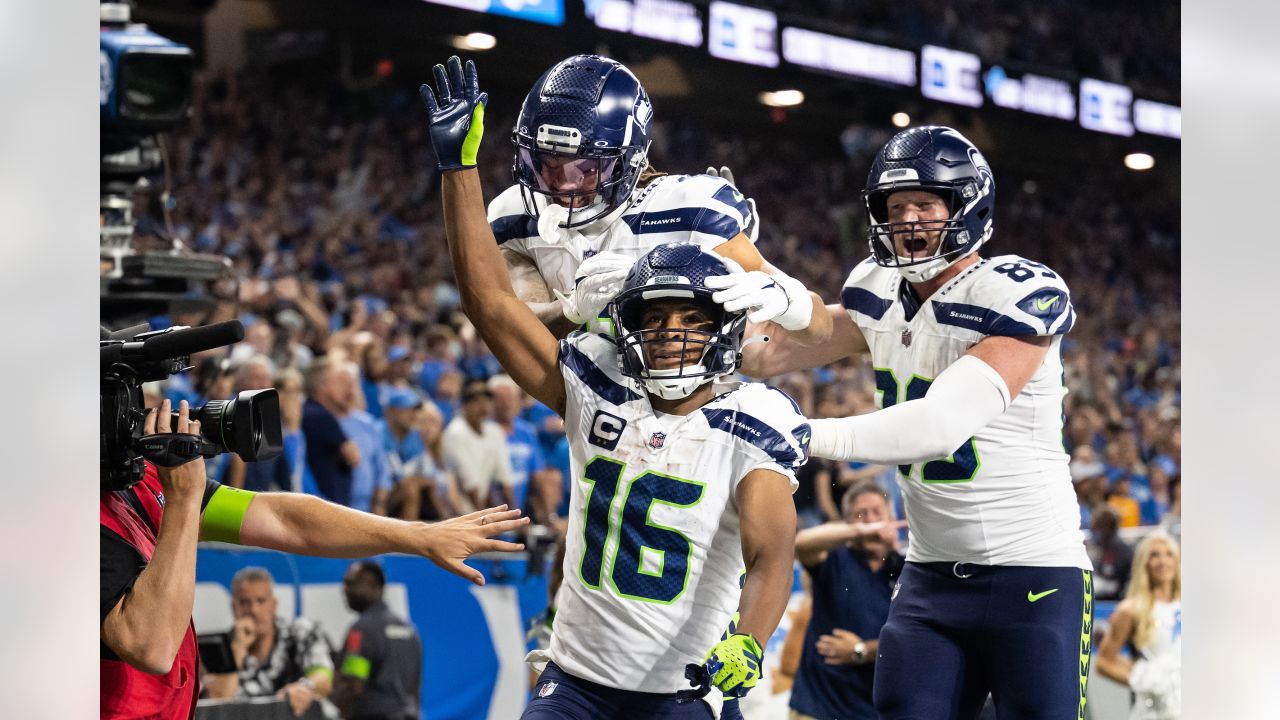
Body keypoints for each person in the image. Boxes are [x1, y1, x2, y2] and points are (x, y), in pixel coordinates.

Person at [421, 55, 808, 717]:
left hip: (686, 689)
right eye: (653, 321)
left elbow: (773, 551)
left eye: (691, 321)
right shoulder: (595, 380)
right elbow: (490, 303)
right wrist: (459, 169)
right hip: (577, 683)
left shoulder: (751, 414)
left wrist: (749, 639)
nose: (670, 336)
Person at [736, 125, 1093, 718]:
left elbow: (940, 424)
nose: (908, 220)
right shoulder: (876, 290)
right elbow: (773, 349)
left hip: (1034, 573)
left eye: (926, 204)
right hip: (930, 578)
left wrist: (806, 434)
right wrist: (723, 283)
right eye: (895, 206)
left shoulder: (1016, 293)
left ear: (966, 206)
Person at [101, 397, 528, 720]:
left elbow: (288, 520)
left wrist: (420, 535)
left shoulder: (146, 486)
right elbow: (152, 647)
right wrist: (184, 501)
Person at [483, 53, 829, 346]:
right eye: (545, 162)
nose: (563, 184)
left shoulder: (688, 212)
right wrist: (572, 311)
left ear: (630, 159)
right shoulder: (513, 214)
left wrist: (785, 301)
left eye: (585, 167)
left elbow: (820, 328)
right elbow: (517, 328)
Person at [788, 483, 905, 720]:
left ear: (891, 519)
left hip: (875, 711)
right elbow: (801, 542)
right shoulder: (836, 559)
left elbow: (914, 642)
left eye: (877, 513)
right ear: (847, 523)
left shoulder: (907, 572)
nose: (871, 521)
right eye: (861, 515)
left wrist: (861, 650)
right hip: (818, 707)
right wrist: (860, 530)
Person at [202, 567, 337, 717]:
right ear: (234, 607)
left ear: (274, 605)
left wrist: (306, 687)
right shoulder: (219, 647)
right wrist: (237, 650)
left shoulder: (301, 633)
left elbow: (324, 677)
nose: (253, 610)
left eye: (261, 601)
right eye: (244, 602)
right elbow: (219, 704)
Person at [1095, 533, 1182, 719]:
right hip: (1154, 711)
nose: (1163, 561)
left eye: (1169, 554)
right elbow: (1103, 662)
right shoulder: (1131, 609)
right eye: (1154, 555)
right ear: (1144, 563)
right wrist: (1144, 681)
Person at [332, 562, 423, 720]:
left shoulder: (361, 630)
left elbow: (353, 684)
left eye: (350, 583)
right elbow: (415, 689)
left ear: (373, 585)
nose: (345, 590)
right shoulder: (409, 631)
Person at [441, 379, 515, 512]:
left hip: (479, 508)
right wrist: (485, 522)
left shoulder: (494, 431)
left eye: (487, 400)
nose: (483, 406)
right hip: (454, 512)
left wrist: (515, 516)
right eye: (475, 401)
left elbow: (504, 478)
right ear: (464, 405)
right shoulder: (456, 433)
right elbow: (470, 486)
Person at [301, 356, 361, 507]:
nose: (348, 389)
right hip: (327, 503)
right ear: (321, 386)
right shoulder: (321, 416)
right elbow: (353, 456)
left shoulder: (307, 411)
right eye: (339, 382)